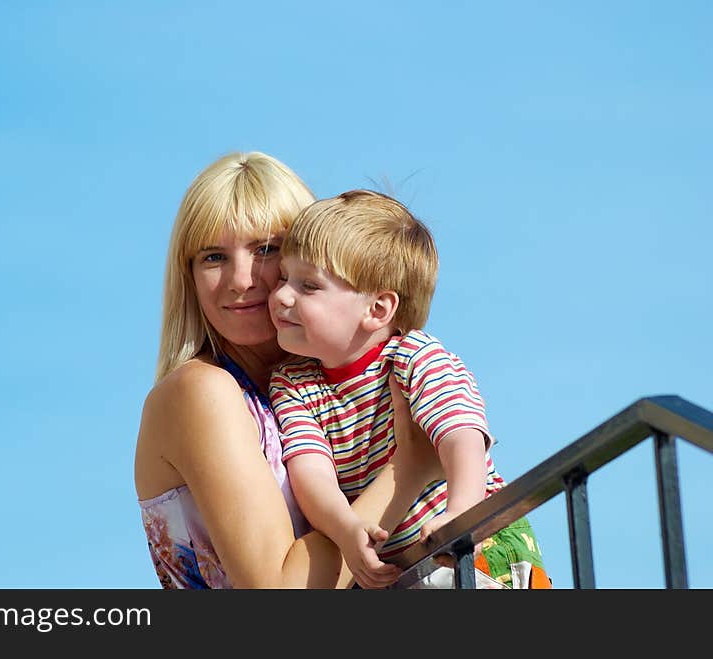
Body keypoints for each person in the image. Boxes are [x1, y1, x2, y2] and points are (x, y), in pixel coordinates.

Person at [134, 153, 444, 589]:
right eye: (212, 256)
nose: (241, 279)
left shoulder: (320, 392)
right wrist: (409, 470)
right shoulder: (199, 391)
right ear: (189, 276)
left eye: (266, 250)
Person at [268, 189, 551, 589]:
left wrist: (463, 511)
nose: (280, 295)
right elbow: (309, 472)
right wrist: (347, 528)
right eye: (283, 278)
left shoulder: (413, 357)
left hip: (477, 551)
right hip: (401, 567)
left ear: (378, 310)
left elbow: (462, 432)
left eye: (308, 286)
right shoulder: (293, 384)